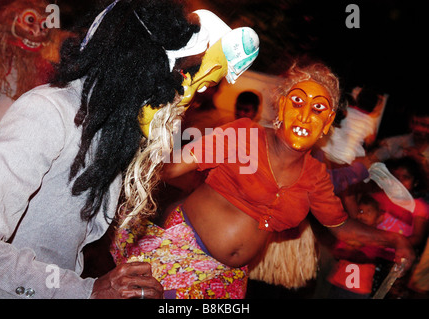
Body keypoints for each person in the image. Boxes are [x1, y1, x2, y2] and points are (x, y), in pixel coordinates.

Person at [0, 0, 253, 299]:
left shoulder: (116, 132)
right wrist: (86, 291)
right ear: (144, 64)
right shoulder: (48, 112)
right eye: (182, 76)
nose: (183, 96)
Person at [112, 60, 415, 299]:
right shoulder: (243, 135)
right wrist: (146, 131)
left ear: (326, 126)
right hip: (179, 254)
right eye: (297, 101)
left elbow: (343, 228)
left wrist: (395, 239)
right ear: (280, 108)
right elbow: (173, 167)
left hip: (227, 281)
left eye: (318, 108)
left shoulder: (316, 177)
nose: (305, 114)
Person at [0, 0, 55, 154]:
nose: (37, 32)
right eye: (30, 20)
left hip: (4, 140)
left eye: (44, 26)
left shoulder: (44, 72)